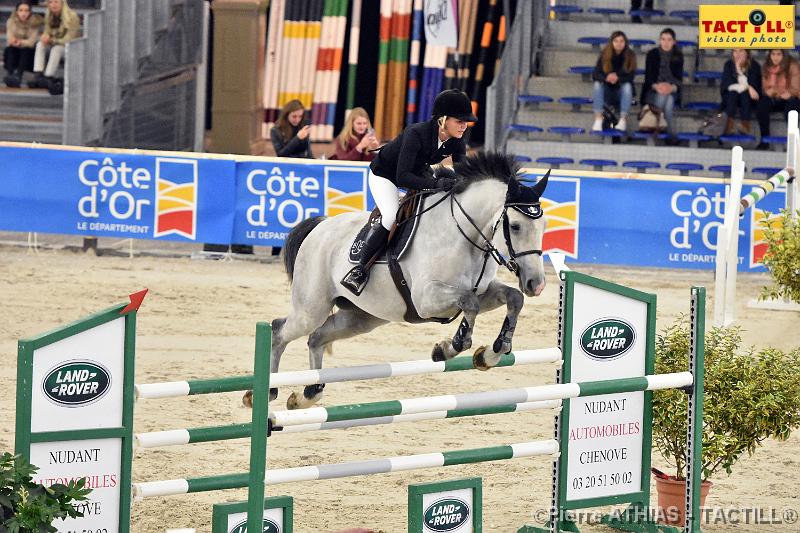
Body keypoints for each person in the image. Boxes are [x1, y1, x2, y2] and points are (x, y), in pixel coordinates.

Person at [340, 89, 476, 296]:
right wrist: (434, 184)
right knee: (391, 215)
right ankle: (359, 270)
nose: (464, 125)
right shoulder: (416, 133)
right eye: (459, 121)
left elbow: (463, 173)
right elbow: (402, 176)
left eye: (466, 121)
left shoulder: (457, 140)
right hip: (386, 174)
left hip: (417, 171)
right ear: (443, 119)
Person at [591, 31, 636, 132]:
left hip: (622, 93)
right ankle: (598, 119)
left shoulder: (630, 55)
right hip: (607, 92)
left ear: (625, 42)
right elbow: (595, 74)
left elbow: (631, 76)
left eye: (621, 41)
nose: (619, 44)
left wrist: (618, 78)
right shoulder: (604, 54)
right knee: (597, 84)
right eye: (616, 41)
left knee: (627, 86)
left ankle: (623, 120)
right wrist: (607, 78)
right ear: (611, 42)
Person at [642, 28, 683, 138]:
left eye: (669, 40)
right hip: (653, 90)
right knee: (667, 100)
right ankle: (669, 134)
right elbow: (648, 78)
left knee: (668, 97)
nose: (666, 43)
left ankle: (656, 128)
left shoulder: (678, 56)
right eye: (663, 39)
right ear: (659, 40)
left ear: (674, 42)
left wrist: (671, 88)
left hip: (671, 90)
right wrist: (657, 87)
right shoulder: (652, 54)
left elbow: (679, 80)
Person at [31, 0, 80, 89]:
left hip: (70, 49)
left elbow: (69, 39)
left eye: (56, 2)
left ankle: (48, 76)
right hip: (54, 44)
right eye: (50, 2)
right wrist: (44, 37)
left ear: (62, 3)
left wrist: (52, 40)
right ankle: (38, 74)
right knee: (40, 44)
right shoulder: (49, 16)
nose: (53, 5)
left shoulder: (72, 16)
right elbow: (47, 32)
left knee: (56, 49)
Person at [756, 49, 800, 149]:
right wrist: (769, 92)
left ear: (783, 55)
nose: (775, 57)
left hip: (791, 97)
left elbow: (796, 88)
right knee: (761, 106)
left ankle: (793, 141)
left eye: (778, 54)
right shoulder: (766, 67)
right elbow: (765, 88)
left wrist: (780, 91)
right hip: (775, 97)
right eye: (773, 54)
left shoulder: (793, 66)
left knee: (791, 109)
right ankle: (764, 139)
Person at [720, 49, 761, 135]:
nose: (738, 54)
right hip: (730, 98)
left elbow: (754, 85)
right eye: (735, 51)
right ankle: (728, 126)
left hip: (748, 99)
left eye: (741, 51)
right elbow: (728, 85)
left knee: (744, 94)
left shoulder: (754, 66)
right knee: (733, 93)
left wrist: (739, 72)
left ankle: (745, 125)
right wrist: (747, 86)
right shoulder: (728, 65)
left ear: (747, 53)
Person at [4, 1, 43, 88]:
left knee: (25, 50)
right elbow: (9, 39)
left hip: (29, 53)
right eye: (21, 10)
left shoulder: (34, 23)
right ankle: (10, 74)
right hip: (15, 49)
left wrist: (20, 42)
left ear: (30, 12)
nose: (23, 13)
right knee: (9, 49)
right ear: (17, 12)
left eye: (26, 11)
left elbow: (31, 42)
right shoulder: (11, 21)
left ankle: (18, 75)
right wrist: (14, 42)